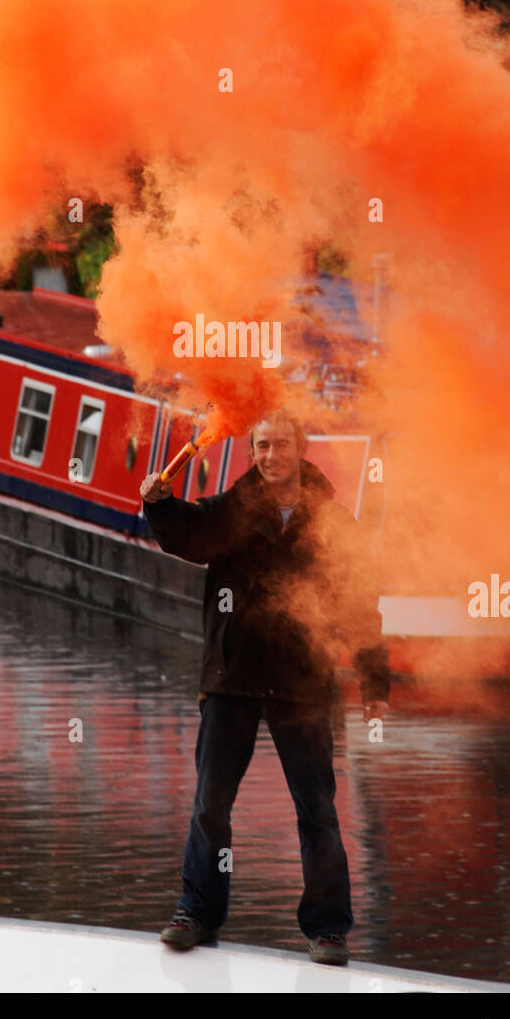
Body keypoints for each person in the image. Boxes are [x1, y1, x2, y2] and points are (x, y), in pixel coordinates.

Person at [140, 410, 390, 967]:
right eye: (260, 446)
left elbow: (358, 605)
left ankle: (328, 929)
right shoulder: (231, 511)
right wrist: (156, 503)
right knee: (211, 805)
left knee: (318, 810)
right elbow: (187, 532)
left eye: (279, 445)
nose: (269, 456)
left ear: (301, 451)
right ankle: (196, 913)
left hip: (303, 685)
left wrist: (374, 678)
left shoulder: (334, 524)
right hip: (231, 681)